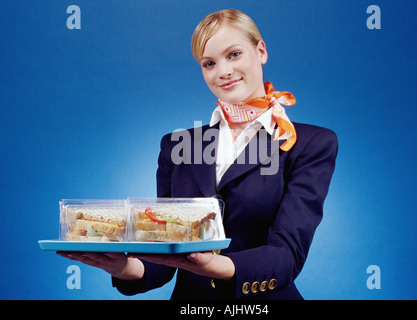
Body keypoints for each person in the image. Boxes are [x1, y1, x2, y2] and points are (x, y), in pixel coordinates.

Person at [58, 8, 338, 300]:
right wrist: (122, 266)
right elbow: (163, 252)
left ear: (261, 51)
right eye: (209, 63)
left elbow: (287, 254)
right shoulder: (176, 145)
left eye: (234, 54)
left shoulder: (309, 143)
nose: (223, 72)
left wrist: (214, 265)